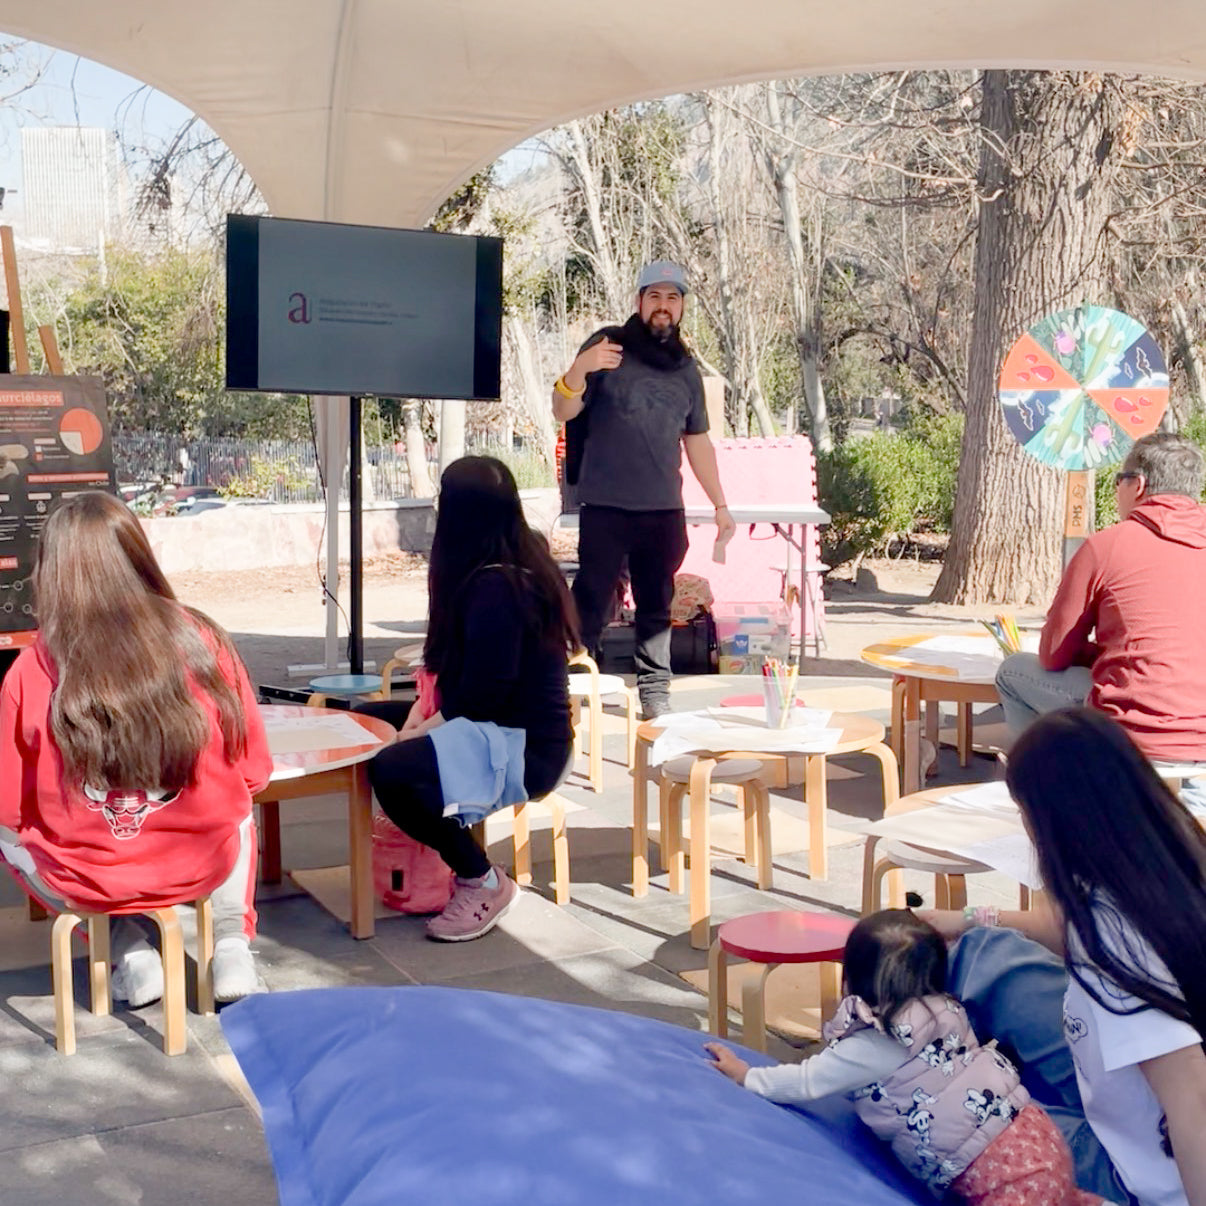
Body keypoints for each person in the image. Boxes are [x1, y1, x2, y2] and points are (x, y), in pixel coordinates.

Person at [0, 491, 273, 1005]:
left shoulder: (29, 670)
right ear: (138, 555)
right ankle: (232, 945)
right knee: (240, 808)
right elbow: (254, 770)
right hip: (202, 862)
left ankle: (127, 950)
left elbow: (9, 810)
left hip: (88, 877)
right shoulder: (203, 639)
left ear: (50, 572)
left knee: (7, 838)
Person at [927, 708, 1206, 1206]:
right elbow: (1063, 930)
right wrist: (968, 918)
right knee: (983, 949)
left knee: (946, 1111)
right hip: (1121, 1090)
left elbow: (1191, 1091)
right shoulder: (1164, 861)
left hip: (1136, 1170)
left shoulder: (1118, 944)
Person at [706, 909, 1101, 1205]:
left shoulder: (878, 1043)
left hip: (1007, 1174)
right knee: (1059, 1195)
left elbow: (808, 1081)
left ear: (852, 978)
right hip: (1039, 1136)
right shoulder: (947, 1009)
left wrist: (747, 1076)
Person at [361, 456, 577, 942]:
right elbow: (456, 678)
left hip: (523, 747)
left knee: (392, 768)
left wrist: (418, 732)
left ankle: (480, 880)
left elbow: (482, 697)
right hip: (490, 727)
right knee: (368, 723)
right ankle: (428, 855)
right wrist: (416, 715)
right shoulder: (505, 565)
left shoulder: (500, 585)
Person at [552, 260, 735, 719]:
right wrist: (580, 368)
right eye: (654, 296)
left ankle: (655, 693)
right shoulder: (607, 347)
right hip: (606, 506)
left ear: (682, 307)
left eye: (672, 298)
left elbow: (697, 441)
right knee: (592, 599)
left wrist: (720, 504)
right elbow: (563, 410)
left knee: (656, 606)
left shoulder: (686, 369)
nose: (663, 306)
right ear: (639, 302)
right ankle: (570, 688)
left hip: (662, 509)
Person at [995, 433, 1206, 769]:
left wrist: (1100, 654)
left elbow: (1053, 654)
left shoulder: (1106, 546)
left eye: (1118, 480)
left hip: (1131, 732)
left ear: (1138, 485)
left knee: (1013, 672)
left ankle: (1044, 784)